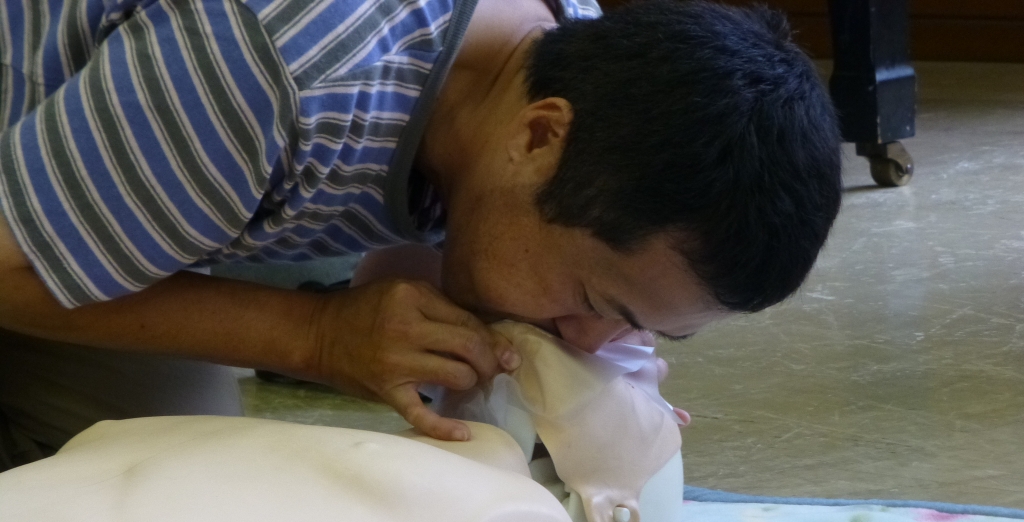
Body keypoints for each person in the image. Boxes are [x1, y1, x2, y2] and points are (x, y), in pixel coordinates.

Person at [0, 0, 842, 471]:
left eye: (645, 329)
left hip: (129, 165)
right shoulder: (269, 77)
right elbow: (7, 266)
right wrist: (316, 336)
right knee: (139, 503)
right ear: (538, 138)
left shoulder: (572, 54)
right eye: (596, 301)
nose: (591, 341)